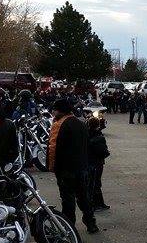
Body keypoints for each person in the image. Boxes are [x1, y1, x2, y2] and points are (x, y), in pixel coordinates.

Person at [47, 98, 97, 234]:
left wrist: (52, 167)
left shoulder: (59, 124)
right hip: (82, 167)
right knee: (84, 197)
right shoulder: (81, 123)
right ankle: (91, 223)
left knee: (68, 200)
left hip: (66, 169)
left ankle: (70, 227)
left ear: (60, 110)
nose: (53, 113)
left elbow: (53, 147)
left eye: (54, 110)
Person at [86, 116, 110, 210]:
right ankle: (96, 204)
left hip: (89, 161)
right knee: (96, 183)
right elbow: (103, 152)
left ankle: (99, 203)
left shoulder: (86, 134)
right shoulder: (99, 137)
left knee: (93, 182)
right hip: (97, 162)